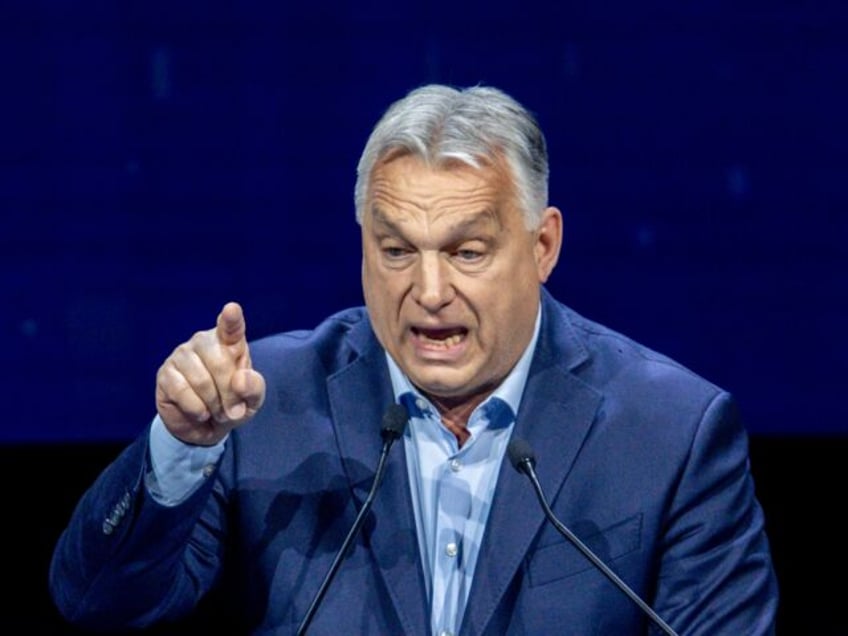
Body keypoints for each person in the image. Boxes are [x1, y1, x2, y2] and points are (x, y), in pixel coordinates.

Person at [49, 84, 779, 635]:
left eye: (467, 251)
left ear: (542, 246)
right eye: (397, 251)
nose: (429, 293)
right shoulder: (266, 406)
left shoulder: (671, 433)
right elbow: (100, 608)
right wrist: (179, 446)